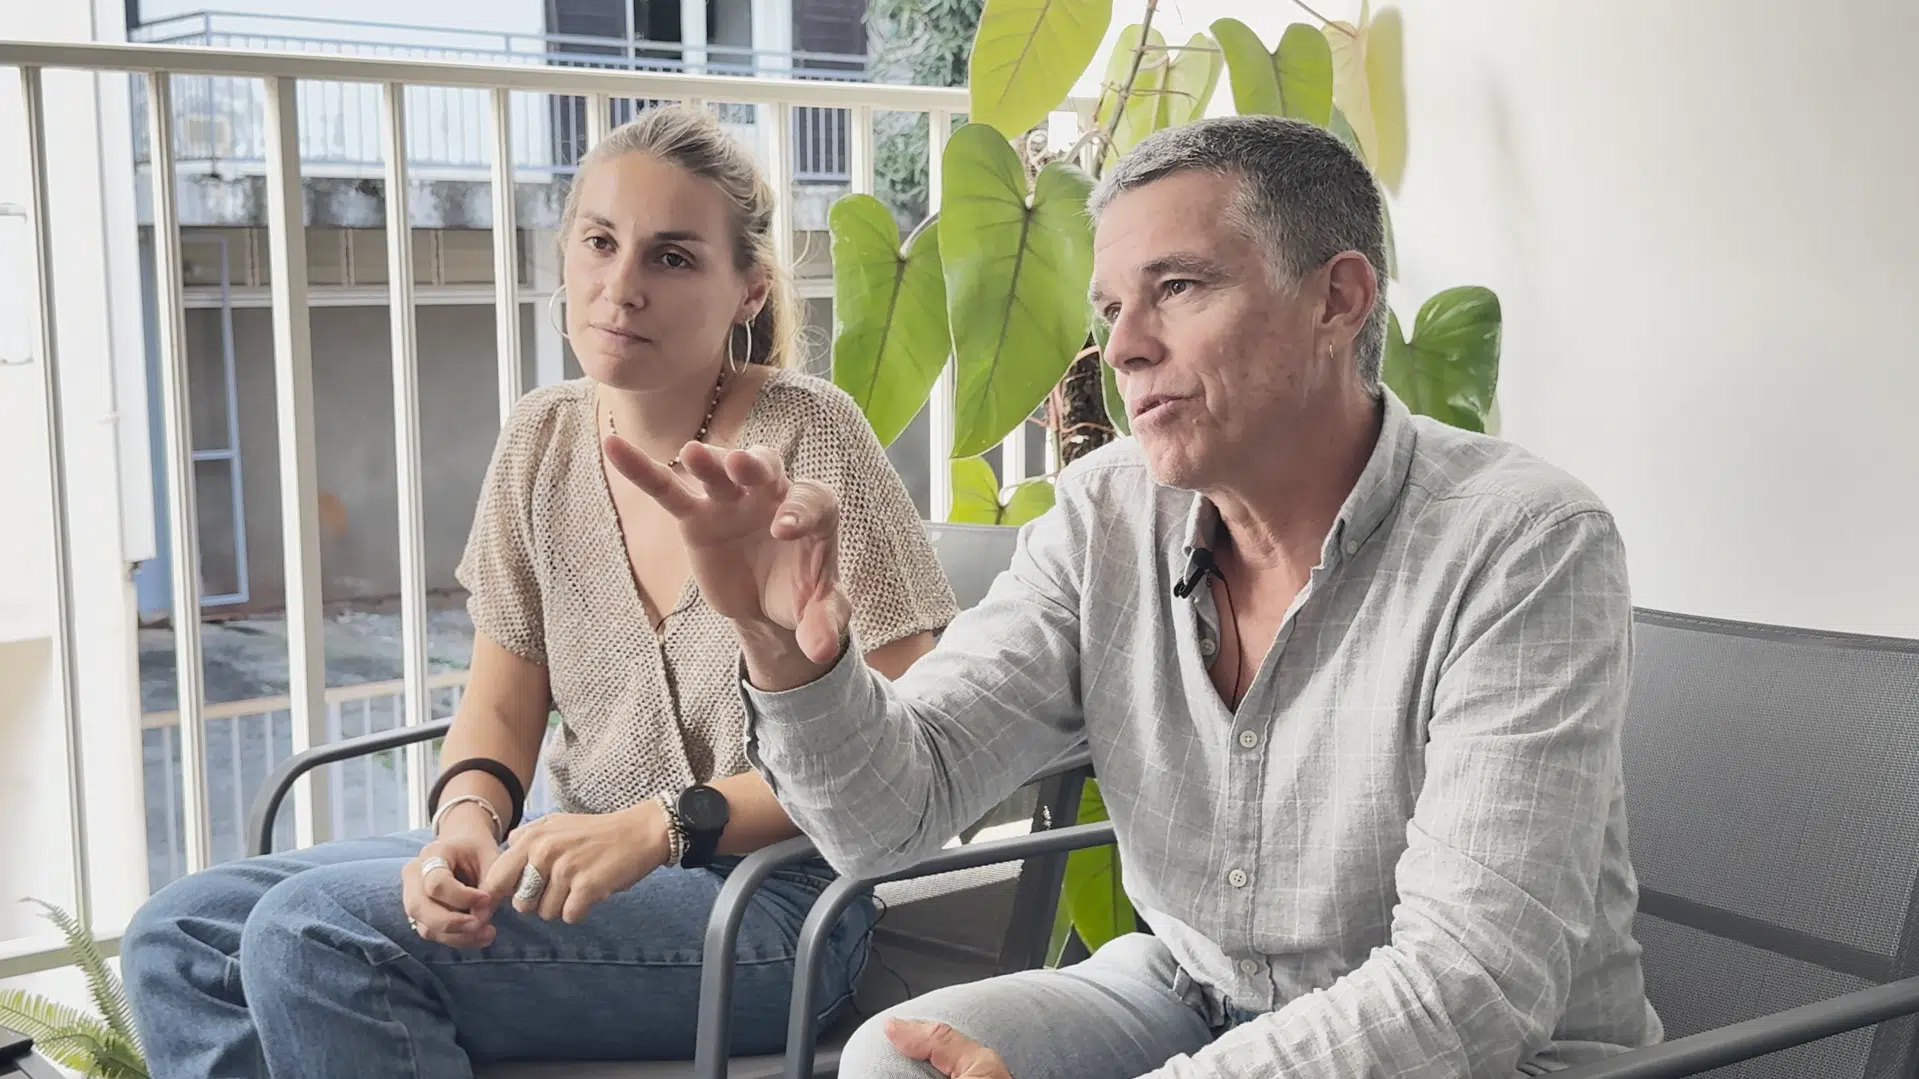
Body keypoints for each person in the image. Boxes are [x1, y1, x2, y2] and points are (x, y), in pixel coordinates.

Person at [611, 115, 1665, 1077]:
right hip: (1195, 991)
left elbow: (1470, 987)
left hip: (1484, 1057)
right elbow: (888, 817)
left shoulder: (1521, 542)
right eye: (1112, 308)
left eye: (1180, 287)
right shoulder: (1105, 512)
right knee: (898, 1062)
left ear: (1336, 300)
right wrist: (782, 649)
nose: (1121, 347)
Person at [120, 104, 959, 1077]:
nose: (620, 286)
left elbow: (905, 736)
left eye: (671, 257)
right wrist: (465, 827)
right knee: (178, 936)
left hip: (774, 903)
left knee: (318, 932)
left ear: (748, 290)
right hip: (565, 857)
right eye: (599, 242)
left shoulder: (810, 434)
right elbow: (500, 702)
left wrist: (662, 824)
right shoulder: (541, 437)